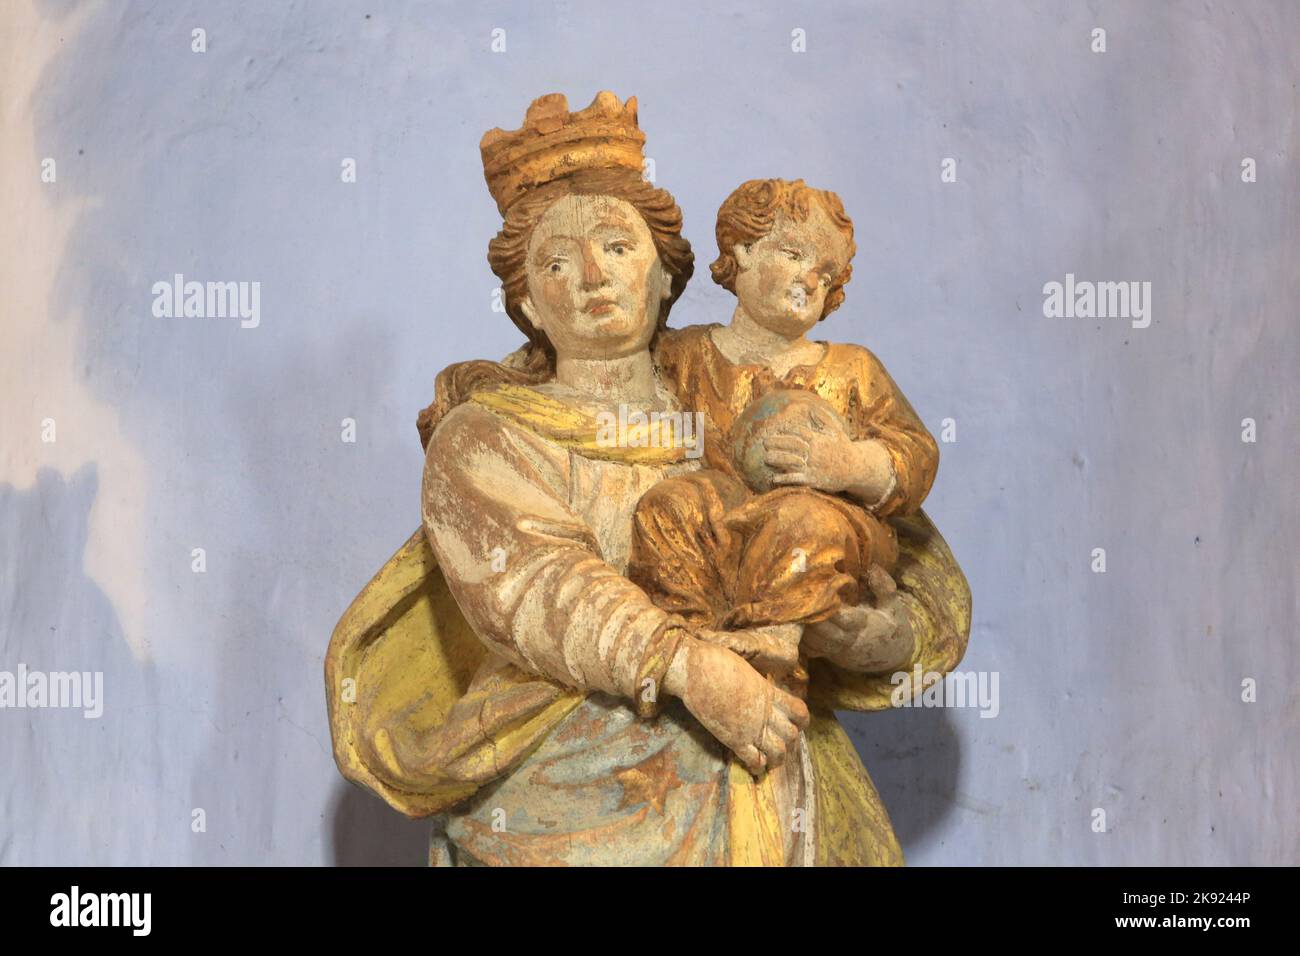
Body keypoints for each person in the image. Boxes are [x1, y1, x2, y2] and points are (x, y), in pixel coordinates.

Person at [324, 93, 971, 866]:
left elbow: (902, 554)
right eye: (556, 264)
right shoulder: (489, 436)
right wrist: (692, 669)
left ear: (667, 276)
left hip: (767, 765)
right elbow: (541, 586)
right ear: (528, 302)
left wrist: (870, 631)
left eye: (618, 248)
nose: (593, 275)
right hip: (565, 783)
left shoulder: (730, 406)